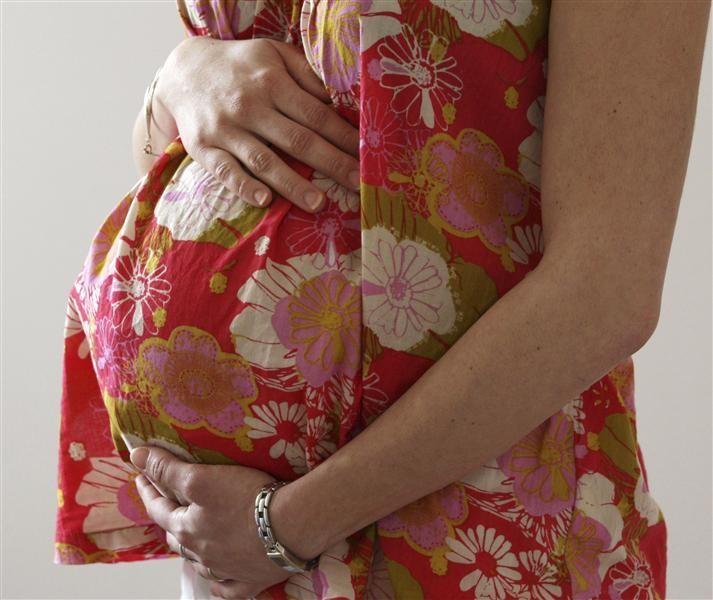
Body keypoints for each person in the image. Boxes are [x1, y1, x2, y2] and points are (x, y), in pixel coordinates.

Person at [53, 1, 710, 599]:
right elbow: (182, 156)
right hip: (235, 551)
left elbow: (603, 291)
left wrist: (282, 526)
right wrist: (180, 79)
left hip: (473, 530)